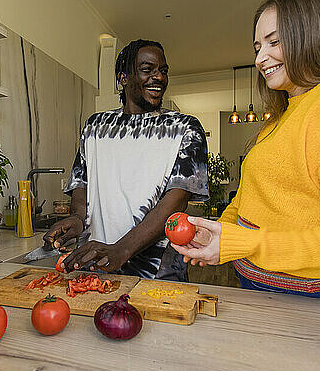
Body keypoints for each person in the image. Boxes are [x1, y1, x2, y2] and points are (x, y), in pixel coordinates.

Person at [172, 0, 320, 300]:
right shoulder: (281, 116)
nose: (261, 58)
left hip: (307, 302)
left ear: (315, 34)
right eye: (257, 48)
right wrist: (218, 231)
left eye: (274, 42)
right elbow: (248, 199)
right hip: (256, 287)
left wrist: (246, 243)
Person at [43, 39, 209, 280]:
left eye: (163, 71)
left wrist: (122, 249)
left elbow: (177, 199)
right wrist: (78, 219)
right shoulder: (95, 126)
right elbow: (82, 182)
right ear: (123, 77)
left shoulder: (185, 128)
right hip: (98, 262)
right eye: (147, 69)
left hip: (158, 268)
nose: (159, 77)